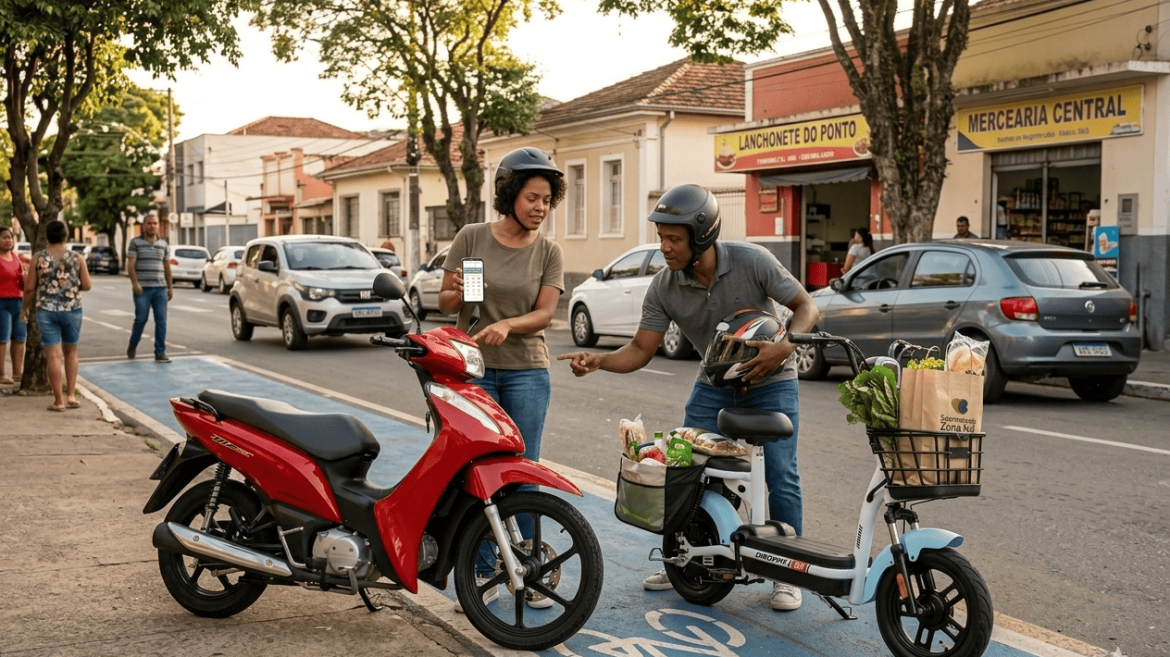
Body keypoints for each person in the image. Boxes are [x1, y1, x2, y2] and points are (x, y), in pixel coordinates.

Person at [558, 184, 820, 611]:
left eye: (672, 239)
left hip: (772, 378)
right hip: (713, 384)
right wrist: (600, 361)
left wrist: (786, 345)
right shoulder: (664, 286)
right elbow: (642, 349)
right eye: (661, 237)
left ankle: (787, 574)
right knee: (684, 464)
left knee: (780, 474)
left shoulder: (752, 261)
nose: (664, 247)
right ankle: (681, 557)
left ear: (701, 236)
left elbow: (806, 306)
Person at [439, 147, 565, 612]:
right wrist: (452, 293)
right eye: (532, 197)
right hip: (475, 370)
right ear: (510, 193)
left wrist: (509, 324)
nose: (540, 207)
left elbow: (546, 313)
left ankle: (530, 571)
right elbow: (453, 305)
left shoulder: (548, 250)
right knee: (476, 475)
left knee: (524, 473)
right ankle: (481, 573)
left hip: (528, 370)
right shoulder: (472, 237)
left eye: (547, 200)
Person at [20, 220, 92, 410]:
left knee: (53, 355)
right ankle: (71, 396)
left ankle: (58, 401)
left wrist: (24, 309)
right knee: (71, 353)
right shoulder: (77, 258)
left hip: (47, 311)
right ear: (65, 236)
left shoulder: (38, 257)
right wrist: (69, 287)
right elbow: (87, 285)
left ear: (47, 236)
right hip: (72, 310)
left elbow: (29, 288)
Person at [126, 213, 173, 362]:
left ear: (158, 225)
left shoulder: (163, 244)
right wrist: (135, 283)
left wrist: (170, 287)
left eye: (155, 223)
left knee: (161, 321)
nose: (152, 226)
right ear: (144, 226)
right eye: (149, 223)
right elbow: (130, 265)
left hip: (160, 289)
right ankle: (133, 344)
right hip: (143, 289)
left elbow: (167, 268)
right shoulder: (135, 243)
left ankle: (160, 352)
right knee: (141, 319)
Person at [0, 226, 28, 385]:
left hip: (18, 301)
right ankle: (1, 374)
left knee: (19, 337)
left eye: (10, 237)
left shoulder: (16, 257)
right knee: (2, 339)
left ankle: (17, 373)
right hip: (1, 302)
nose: (8, 240)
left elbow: (21, 282)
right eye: (4, 237)